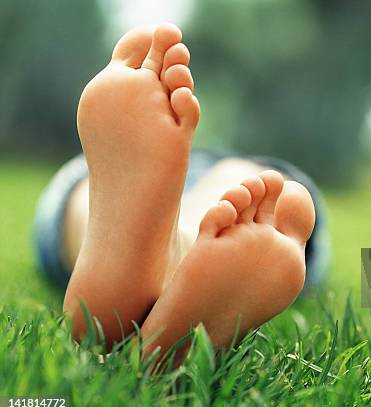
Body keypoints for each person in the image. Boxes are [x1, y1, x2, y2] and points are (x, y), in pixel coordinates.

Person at [32, 23, 329, 363]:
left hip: (84, 186)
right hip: (228, 177)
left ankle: (176, 249)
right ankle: (180, 247)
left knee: (84, 194)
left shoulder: (145, 134)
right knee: (256, 188)